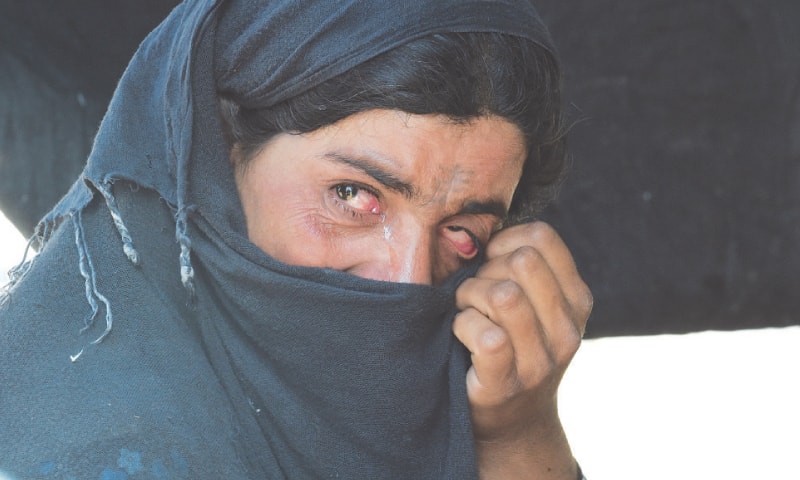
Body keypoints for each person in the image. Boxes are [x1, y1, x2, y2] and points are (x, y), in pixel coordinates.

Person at [0, 0, 592, 479]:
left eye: (461, 231)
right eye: (353, 196)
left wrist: (519, 436)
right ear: (220, 153)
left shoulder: (461, 399)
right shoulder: (115, 451)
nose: (407, 280)